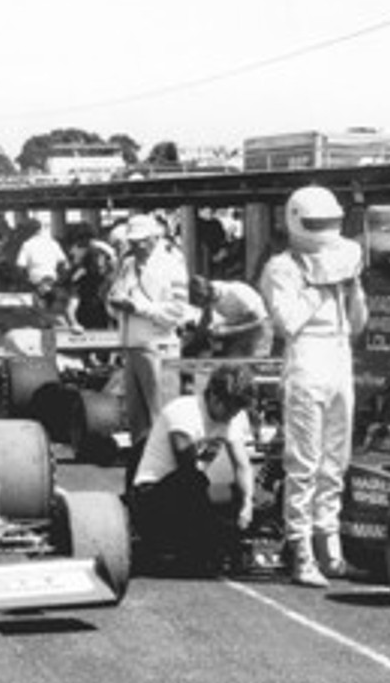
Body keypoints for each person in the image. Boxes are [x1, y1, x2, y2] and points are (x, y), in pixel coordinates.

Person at [259, 185, 367, 587]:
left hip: (339, 357)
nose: (324, 230)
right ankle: (301, 550)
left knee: (334, 463)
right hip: (306, 358)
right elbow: (286, 323)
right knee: (303, 463)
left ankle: (331, 548)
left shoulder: (342, 259)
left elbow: (357, 325)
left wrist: (352, 287)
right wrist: (317, 287)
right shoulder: (281, 266)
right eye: (317, 223)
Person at [129, 364, 257, 573]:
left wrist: (247, 504)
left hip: (189, 496)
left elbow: (243, 467)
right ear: (215, 397)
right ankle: (206, 541)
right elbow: (187, 468)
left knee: (240, 491)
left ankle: (217, 541)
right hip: (151, 498)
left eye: (237, 411)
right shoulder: (183, 411)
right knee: (195, 481)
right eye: (230, 409)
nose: (232, 416)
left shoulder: (231, 418)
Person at [106, 212, 191, 444]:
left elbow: (177, 312)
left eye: (142, 240)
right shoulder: (128, 265)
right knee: (138, 422)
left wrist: (138, 307)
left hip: (158, 346)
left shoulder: (172, 265)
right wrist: (115, 304)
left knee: (162, 416)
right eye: (133, 241)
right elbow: (114, 300)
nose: (138, 245)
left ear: (155, 237)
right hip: (132, 347)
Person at [188, 276, 274, 358]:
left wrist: (228, 329)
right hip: (240, 330)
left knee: (250, 367)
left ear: (211, 292)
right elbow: (205, 320)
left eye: (205, 302)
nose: (206, 305)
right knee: (229, 364)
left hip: (259, 329)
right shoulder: (208, 292)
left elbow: (257, 320)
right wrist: (193, 344)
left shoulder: (236, 292)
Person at [16, 218, 69, 291]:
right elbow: (63, 263)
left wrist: (25, 282)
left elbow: (20, 267)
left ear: (28, 231)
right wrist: (60, 281)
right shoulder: (53, 243)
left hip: (35, 283)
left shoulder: (27, 245)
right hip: (52, 281)